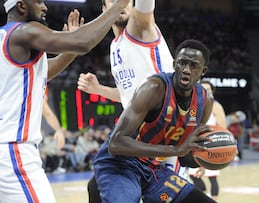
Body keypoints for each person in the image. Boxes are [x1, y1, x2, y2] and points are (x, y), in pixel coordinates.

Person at [0, 0, 130, 202]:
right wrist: (119, 5)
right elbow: (84, 42)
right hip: (13, 151)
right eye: (38, 2)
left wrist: (70, 48)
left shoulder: (6, 38)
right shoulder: (25, 31)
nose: (45, 7)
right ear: (21, 6)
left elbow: (44, 71)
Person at [76, 0, 178, 202]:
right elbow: (128, 96)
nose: (120, 4)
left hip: (162, 134)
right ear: (105, 10)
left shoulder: (141, 29)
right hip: (137, 137)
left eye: (124, 0)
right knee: (96, 186)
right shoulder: (115, 45)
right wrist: (98, 90)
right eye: (113, 1)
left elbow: (146, 6)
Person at [94, 39, 218, 203]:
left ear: (203, 71)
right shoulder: (154, 88)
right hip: (120, 165)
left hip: (153, 170)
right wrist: (176, 150)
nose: (186, 70)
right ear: (174, 65)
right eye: (182, 63)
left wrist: (210, 156)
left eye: (194, 66)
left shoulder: (205, 101)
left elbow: (185, 156)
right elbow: (115, 144)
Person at [188, 80, 226, 201]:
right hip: (195, 145)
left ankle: (214, 200)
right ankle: (204, 197)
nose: (206, 92)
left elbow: (223, 128)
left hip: (211, 145)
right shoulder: (193, 105)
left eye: (209, 90)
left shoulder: (216, 106)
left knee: (212, 177)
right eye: (203, 89)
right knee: (193, 176)